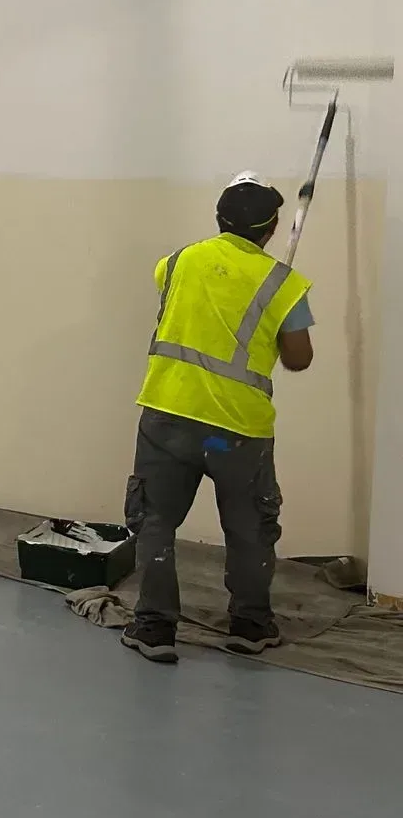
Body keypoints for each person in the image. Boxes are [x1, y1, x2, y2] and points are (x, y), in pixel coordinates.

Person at [121, 173, 315, 664]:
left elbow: (174, 295)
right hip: (238, 433)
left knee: (156, 521)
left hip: (168, 416)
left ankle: (154, 628)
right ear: (271, 229)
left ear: (218, 219)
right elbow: (299, 358)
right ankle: (250, 626)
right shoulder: (283, 283)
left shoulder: (178, 261)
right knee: (249, 530)